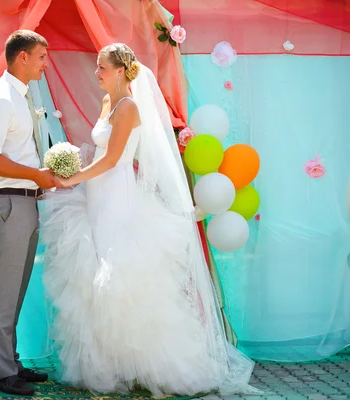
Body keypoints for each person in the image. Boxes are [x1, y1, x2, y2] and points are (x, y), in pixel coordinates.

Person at [39, 43, 260, 397]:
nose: (96, 73)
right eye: (97, 67)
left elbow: (112, 160)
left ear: (121, 71)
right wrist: (74, 169)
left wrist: (71, 179)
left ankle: (151, 363)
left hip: (118, 198)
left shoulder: (128, 108)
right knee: (94, 274)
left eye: (102, 68)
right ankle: (113, 363)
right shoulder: (108, 103)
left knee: (121, 277)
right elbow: (98, 151)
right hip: (97, 198)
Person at [0, 30, 57, 396]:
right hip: (7, 201)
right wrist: (35, 174)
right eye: (41, 56)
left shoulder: (21, 97)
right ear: (22, 57)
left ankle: (10, 361)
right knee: (5, 290)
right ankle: (2, 372)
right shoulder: (1, 100)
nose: (45, 63)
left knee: (16, 289)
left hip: (23, 200)